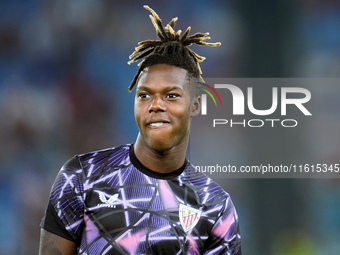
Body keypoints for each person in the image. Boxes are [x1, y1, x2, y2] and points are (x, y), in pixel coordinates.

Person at [39, 5, 242, 255]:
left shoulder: (215, 204)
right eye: (145, 95)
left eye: (171, 95)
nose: (156, 105)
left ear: (195, 105)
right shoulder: (80, 177)